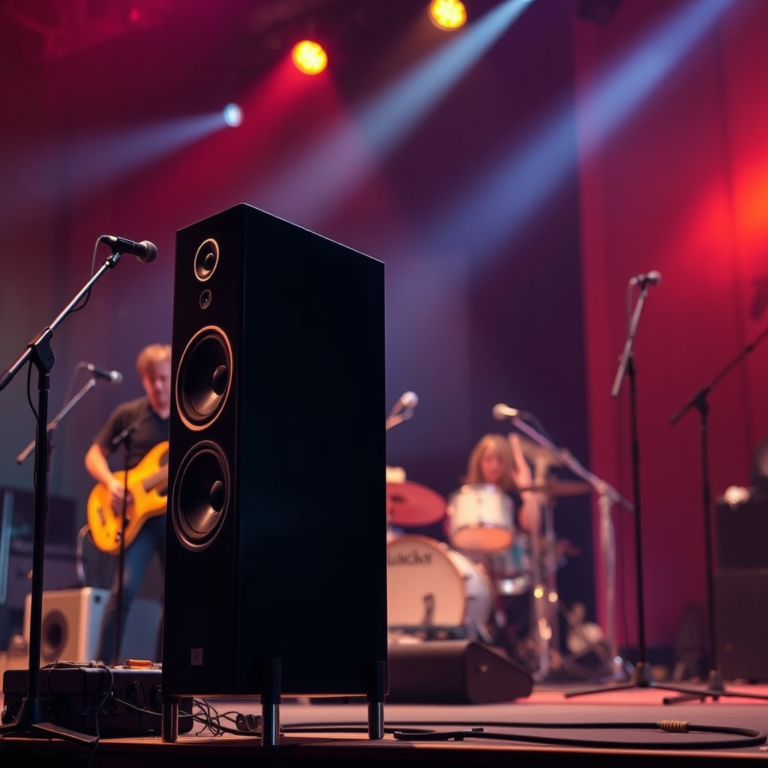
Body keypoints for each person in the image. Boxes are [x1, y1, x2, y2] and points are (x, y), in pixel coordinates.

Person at [84, 343, 171, 665]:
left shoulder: (189, 417)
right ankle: (102, 666)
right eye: (151, 379)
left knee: (177, 595)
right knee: (124, 589)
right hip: (134, 518)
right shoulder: (130, 414)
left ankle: (166, 671)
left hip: (173, 516)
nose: (157, 385)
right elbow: (93, 455)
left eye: (163, 378)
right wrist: (111, 484)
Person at [458, 432, 543, 666]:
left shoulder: (512, 497)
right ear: (479, 462)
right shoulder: (467, 495)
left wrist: (526, 487)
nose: (494, 465)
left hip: (509, 572)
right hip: (477, 570)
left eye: (500, 460)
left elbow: (532, 524)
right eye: (489, 459)